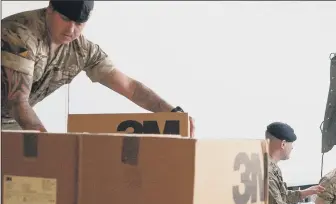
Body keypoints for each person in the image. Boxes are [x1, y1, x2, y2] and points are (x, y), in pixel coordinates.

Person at [1, 0, 195, 135]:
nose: (71, 30)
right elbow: (17, 100)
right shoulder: (20, 35)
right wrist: (48, 147)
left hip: (10, 123)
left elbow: (130, 87)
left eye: (79, 23)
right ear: (50, 8)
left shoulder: (81, 50)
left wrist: (174, 115)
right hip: (14, 115)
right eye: (66, 19)